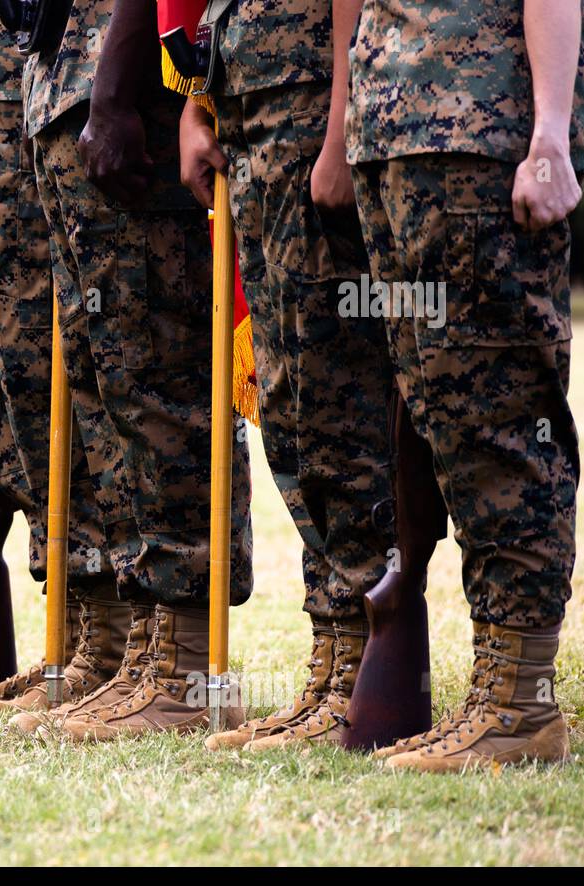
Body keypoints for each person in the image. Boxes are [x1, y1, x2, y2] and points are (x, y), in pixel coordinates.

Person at [347, 0, 584, 770]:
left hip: (480, 134)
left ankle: (520, 704)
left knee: (500, 415)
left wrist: (552, 133)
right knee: (444, 415)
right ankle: (494, 692)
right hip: (400, 135)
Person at [10, 0, 254, 742]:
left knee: (155, 381)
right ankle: (138, 651)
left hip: (128, 94)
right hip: (72, 89)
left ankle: (181, 669)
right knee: (105, 384)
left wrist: (113, 91)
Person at [169, 0, 397, 752]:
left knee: (333, 396)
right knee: (290, 402)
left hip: (308, 104)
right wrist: (201, 101)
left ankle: (371, 663)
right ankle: (333, 663)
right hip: (253, 100)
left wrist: (338, 131)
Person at [0, 0, 133, 716]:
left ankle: (107, 634)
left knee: (72, 358)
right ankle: (79, 630)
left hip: (55, 80)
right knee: (8, 366)